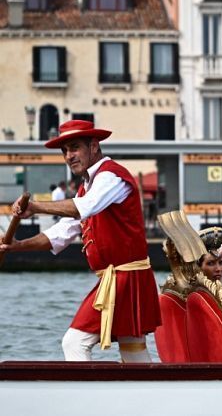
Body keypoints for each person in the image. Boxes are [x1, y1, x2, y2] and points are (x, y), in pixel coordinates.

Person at [0, 120, 160, 361]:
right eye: (64, 151)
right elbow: (62, 233)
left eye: (74, 147)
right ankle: (149, 395)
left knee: (74, 343)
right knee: (132, 348)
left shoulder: (111, 177)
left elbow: (83, 208)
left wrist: (35, 207)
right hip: (122, 278)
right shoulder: (88, 187)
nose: (68, 156)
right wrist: (17, 246)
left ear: (93, 146)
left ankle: (88, 397)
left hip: (124, 278)